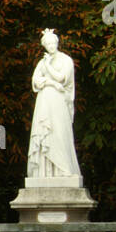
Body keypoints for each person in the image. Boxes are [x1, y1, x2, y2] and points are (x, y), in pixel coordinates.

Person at [26, 29, 82, 180]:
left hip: (59, 101)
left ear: (57, 43)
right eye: (47, 44)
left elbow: (61, 78)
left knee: (58, 131)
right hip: (45, 100)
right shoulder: (42, 62)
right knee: (44, 131)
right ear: (44, 46)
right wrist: (50, 82)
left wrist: (49, 67)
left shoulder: (65, 60)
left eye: (53, 43)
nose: (51, 46)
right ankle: (44, 173)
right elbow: (36, 81)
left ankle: (63, 168)